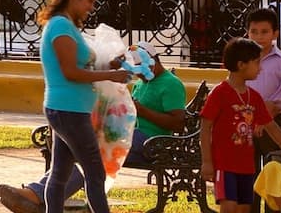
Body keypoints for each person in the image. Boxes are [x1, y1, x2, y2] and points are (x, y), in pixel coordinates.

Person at [18, 53, 186, 210]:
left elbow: (178, 123)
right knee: (83, 149)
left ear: (153, 62)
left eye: (140, 69)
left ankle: (38, 196)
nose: (138, 75)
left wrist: (142, 111)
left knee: (90, 152)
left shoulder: (171, 84)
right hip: (130, 135)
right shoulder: (142, 83)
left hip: (152, 143)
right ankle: (39, 195)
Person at [30, 0, 131, 213]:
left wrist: (111, 68)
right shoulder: (60, 26)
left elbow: (82, 69)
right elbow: (71, 72)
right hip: (68, 110)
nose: (91, 7)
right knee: (95, 172)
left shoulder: (65, 25)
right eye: (89, 0)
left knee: (60, 174)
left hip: (69, 109)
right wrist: (109, 76)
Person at [201, 38, 281, 213]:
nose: (260, 68)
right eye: (257, 63)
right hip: (224, 164)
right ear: (242, 64)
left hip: (246, 166)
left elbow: (272, 127)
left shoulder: (255, 97)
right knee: (229, 206)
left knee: (244, 208)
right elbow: (205, 127)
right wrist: (207, 162)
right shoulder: (219, 93)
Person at [245, 8, 281, 114]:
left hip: (275, 116)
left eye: (264, 32)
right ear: (248, 34)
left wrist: (267, 109)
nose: (259, 37)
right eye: (254, 32)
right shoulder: (242, 60)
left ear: (275, 34)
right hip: (245, 115)